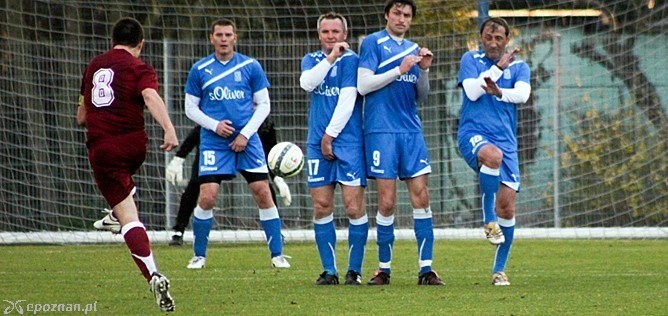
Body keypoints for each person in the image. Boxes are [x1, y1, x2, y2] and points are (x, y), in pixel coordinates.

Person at [77, 17, 176, 312]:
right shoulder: (140, 67)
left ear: (112, 40)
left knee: (129, 217)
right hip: (136, 146)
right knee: (122, 192)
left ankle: (153, 274)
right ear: (140, 44)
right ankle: (114, 214)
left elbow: (81, 117)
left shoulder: (94, 66)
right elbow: (148, 94)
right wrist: (168, 128)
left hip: (104, 148)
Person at [182, 18, 290, 269]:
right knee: (207, 196)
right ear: (211, 38)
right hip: (214, 140)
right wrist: (214, 125)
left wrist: (246, 134)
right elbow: (190, 108)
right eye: (218, 34)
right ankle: (199, 255)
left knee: (263, 192)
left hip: (247, 139)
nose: (223, 39)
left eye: (227, 34)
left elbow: (264, 105)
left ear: (235, 37)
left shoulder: (251, 66)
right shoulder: (200, 69)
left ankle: (277, 255)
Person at [357, 0, 444, 286]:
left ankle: (426, 269)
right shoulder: (372, 43)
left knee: (422, 197)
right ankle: (383, 269)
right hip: (381, 130)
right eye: (397, 13)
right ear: (386, 14)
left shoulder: (415, 48)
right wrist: (399, 68)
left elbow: (421, 95)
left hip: (411, 131)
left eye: (407, 15)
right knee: (388, 201)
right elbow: (363, 85)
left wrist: (425, 70)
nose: (401, 18)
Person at [457, 17, 531, 286]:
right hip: (473, 134)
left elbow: (522, 95)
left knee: (508, 208)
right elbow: (473, 92)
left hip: (506, 141)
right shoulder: (470, 59)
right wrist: (498, 69)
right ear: (480, 36)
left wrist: (499, 91)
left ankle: (499, 270)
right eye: (488, 36)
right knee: (492, 156)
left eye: (499, 38)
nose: (493, 42)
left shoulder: (520, 66)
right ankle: (488, 220)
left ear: (507, 39)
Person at [299, 12, 368, 285]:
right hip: (317, 144)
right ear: (319, 35)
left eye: (335, 32)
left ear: (344, 35)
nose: (331, 36)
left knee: (353, 207)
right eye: (326, 32)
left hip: (347, 142)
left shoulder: (352, 61)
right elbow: (307, 84)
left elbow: (348, 100)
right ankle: (329, 271)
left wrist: (330, 136)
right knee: (321, 205)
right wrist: (329, 58)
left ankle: (354, 270)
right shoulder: (312, 60)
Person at [165, 120, 292, 246]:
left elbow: (270, 151)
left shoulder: (264, 122)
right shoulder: (227, 112)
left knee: (263, 188)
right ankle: (178, 231)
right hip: (218, 148)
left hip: (247, 150)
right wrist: (179, 158)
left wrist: (277, 178)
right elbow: (198, 131)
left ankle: (276, 233)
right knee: (196, 184)